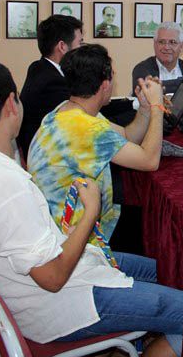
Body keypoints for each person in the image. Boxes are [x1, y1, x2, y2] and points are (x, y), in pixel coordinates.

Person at [0, 60, 183, 357]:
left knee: (179, 271)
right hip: (62, 304)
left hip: (58, 275)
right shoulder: (3, 186)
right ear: (11, 104)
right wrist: (91, 212)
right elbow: (53, 277)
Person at [28, 44, 165, 244]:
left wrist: (144, 108)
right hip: (77, 242)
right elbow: (150, 160)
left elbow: (127, 136)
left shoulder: (68, 111)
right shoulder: (86, 128)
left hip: (64, 227)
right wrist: (157, 106)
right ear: (104, 85)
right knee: (156, 246)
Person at [18, 15, 84, 158]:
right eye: (80, 43)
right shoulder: (52, 82)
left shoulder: (39, 67)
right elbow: (85, 113)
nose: (82, 50)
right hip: (49, 160)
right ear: (62, 46)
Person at [132, 22, 183, 97]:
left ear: (181, 46)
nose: (166, 47)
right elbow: (147, 90)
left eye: (172, 42)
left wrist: (168, 87)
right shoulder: (142, 68)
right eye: (161, 42)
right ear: (154, 44)